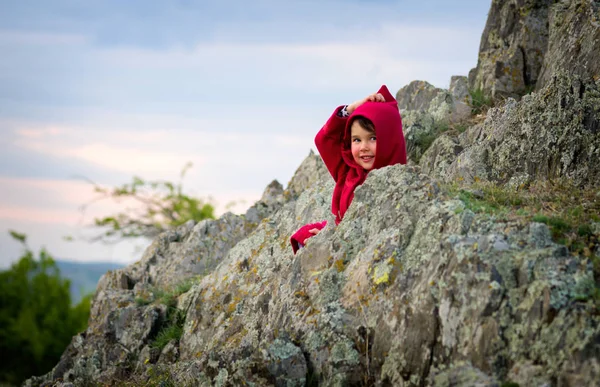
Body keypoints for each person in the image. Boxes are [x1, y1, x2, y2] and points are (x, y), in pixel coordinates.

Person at [290, 85, 406, 254]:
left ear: (389, 139)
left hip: (358, 247)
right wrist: (351, 108)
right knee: (304, 235)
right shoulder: (347, 170)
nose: (363, 147)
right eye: (357, 140)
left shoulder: (394, 182)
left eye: (372, 138)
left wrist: (329, 240)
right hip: (340, 234)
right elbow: (323, 139)